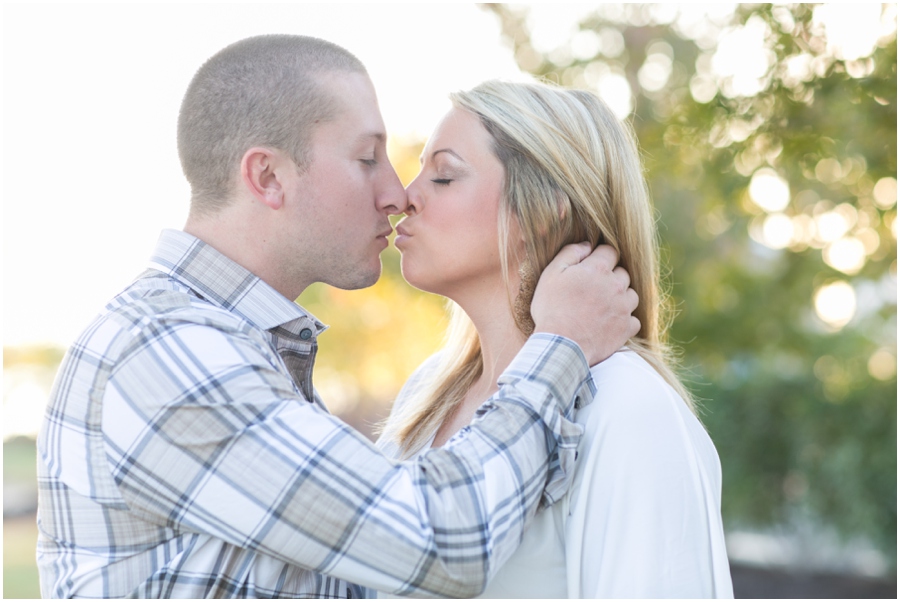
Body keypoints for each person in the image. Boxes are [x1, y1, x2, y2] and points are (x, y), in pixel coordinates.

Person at [35, 36, 641, 598]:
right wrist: (559, 344)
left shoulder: (234, 347)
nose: (397, 193)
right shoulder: (172, 352)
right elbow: (443, 540)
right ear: (268, 177)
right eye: (367, 158)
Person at [377, 80, 734, 598]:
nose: (406, 197)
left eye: (445, 176)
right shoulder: (427, 393)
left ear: (543, 211)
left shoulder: (626, 409)